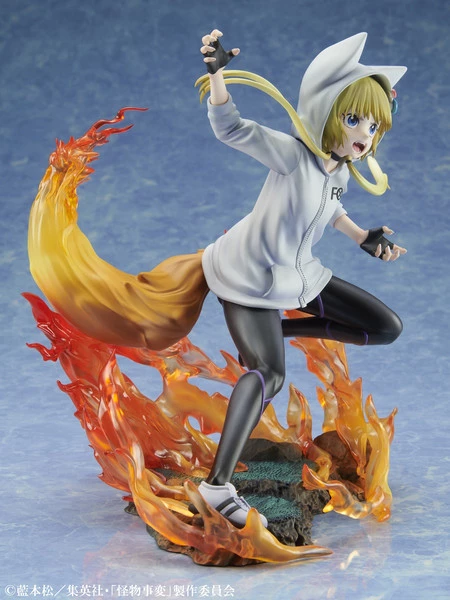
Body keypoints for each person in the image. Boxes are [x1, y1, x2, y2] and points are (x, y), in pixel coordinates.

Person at [195, 30, 407, 528]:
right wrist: (217, 76)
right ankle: (216, 486)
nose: (364, 133)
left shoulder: (338, 170)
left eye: (373, 125)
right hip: (250, 276)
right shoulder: (292, 154)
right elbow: (232, 129)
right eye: (354, 119)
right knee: (269, 374)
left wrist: (362, 237)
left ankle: (281, 330)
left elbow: (330, 207)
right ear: (327, 112)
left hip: (298, 274)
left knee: (384, 327)